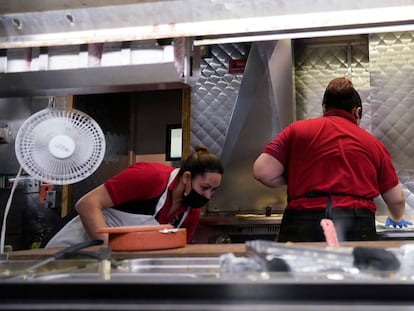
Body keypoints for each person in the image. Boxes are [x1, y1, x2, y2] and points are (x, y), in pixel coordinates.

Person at [253, 77, 412, 242]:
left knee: (299, 267)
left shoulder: (296, 130)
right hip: (356, 224)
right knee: (355, 268)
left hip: (303, 222)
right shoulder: (373, 144)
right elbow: (396, 199)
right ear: (357, 112)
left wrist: (297, 176)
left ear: (324, 109)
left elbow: (263, 172)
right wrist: (396, 218)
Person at [44, 145, 223, 248]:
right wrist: (108, 251)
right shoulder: (149, 177)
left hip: (107, 263)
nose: (208, 196)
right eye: (205, 187)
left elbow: (178, 248)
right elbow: (87, 204)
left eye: (213, 191)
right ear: (187, 177)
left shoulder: (191, 211)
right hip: (70, 246)